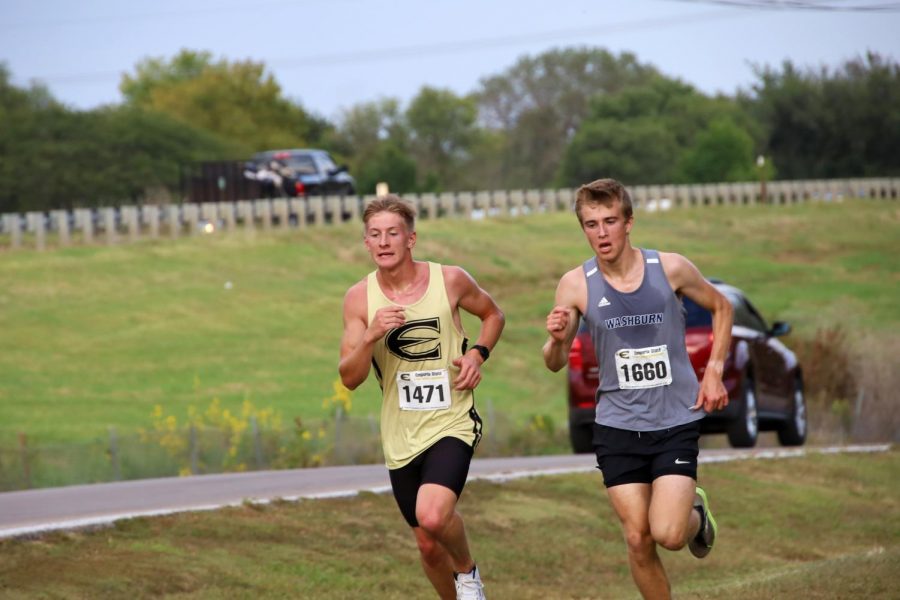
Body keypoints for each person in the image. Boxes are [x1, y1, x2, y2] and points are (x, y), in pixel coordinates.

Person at [542, 178, 733, 600]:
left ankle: (696, 515)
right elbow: (555, 363)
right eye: (591, 224)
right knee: (636, 538)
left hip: (675, 418)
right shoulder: (576, 284)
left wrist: (713, 370)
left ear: (629, 223)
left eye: (610, 221)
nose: (601, 232)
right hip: (617, 426)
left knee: (667, 533)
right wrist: (556, 339)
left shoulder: (669, 268)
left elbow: (722, 306)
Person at [339, 195, 505, 600]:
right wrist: (370, 336)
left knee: (433, 515)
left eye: (392, 233)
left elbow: (493, 315)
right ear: (366, 243)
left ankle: (468, 574)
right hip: (400, 434)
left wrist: (477, 353)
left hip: (451, 420)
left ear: (410, 238)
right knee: (428, 544)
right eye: (374, 235)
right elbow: (349, 377)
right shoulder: (359, 299)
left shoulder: (449, 280)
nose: (383, 242)